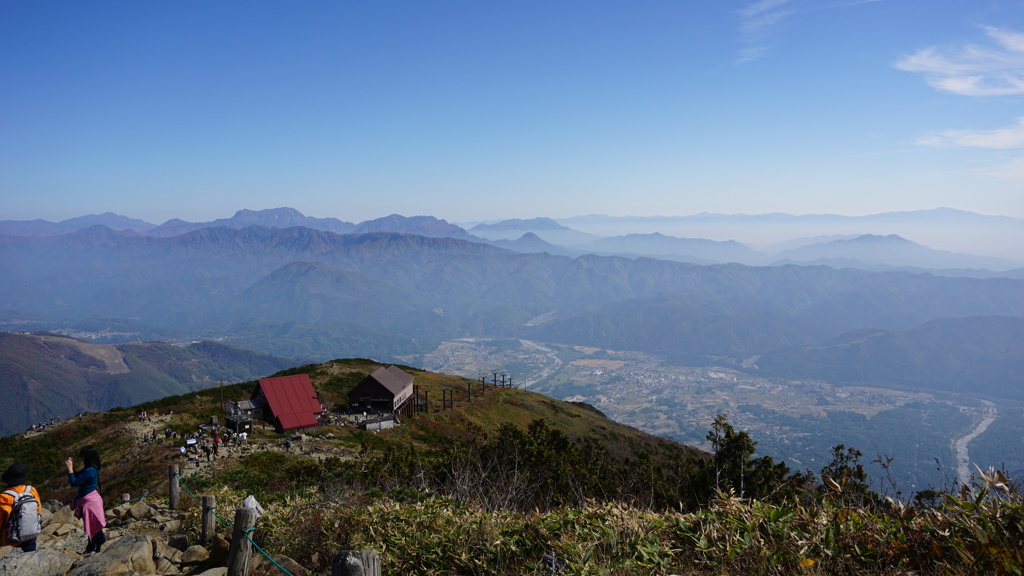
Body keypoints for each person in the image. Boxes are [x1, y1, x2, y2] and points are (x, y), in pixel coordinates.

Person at [65, 445, 107, 554]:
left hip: (90, 502)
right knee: (92, 524)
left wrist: (70, 469)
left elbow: (74, 482)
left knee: (95, 526)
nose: (82, 459)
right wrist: (72, 467)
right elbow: (78, 475)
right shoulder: (93, 468)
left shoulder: (89, 471)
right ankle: (92, 546)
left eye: (83, 456)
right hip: (89, 501)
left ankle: (100, 545)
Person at [1, 463, 41, 552]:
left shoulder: (4, 498)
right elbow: (39, 510)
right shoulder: (32, 491)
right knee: (30, 559)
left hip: (10, 540)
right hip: (30, 535)